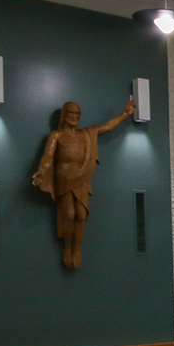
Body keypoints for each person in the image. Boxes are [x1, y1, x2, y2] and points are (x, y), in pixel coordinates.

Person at [32, 97, 133, 269]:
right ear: (64, 115)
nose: (74, 116)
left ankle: (77, 249)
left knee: (82, 214)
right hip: (64, 176)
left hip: (82, 176)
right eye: (71, 113)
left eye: (77, 114)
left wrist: (126, 113)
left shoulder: (86, 134)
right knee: (70, 214)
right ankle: (67, 248)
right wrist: (41, 171)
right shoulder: (56, 135)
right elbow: (48, 157)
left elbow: (107, 127)